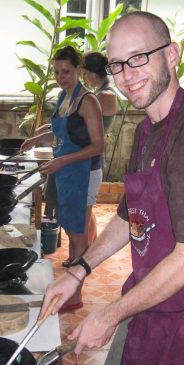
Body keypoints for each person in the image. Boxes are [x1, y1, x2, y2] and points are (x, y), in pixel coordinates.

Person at [39, 11, 184, 365]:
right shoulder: (148, 130)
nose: (127, 75)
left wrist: (109, 314)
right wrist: (79, 270)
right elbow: (131, 214)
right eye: (118, 64)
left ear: (173, 55)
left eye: (139, 57)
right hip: (154, 311)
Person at [21, 46, 104, 311]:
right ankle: (71, 283)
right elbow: (57, 131)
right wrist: (35, 139)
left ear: (79, 69)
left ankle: (76, 295)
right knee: (70, 227)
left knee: (79, 234)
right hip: (66, 171)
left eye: (66, 71)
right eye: (57, 72)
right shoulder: (64, 96)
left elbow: (98, 145)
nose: (61, 77)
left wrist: (62, 161)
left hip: (83, 172)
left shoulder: (88, 101)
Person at [83, 51, 119, 244]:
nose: (84, 78)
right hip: (88, 156)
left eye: (85, 73)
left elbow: (84, 125)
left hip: (91, 158)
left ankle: (84, 252)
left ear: (93, 73)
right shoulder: (99, 93)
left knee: (85, 210)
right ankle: (89, 247)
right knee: (86, 208)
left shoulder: (104, 95)